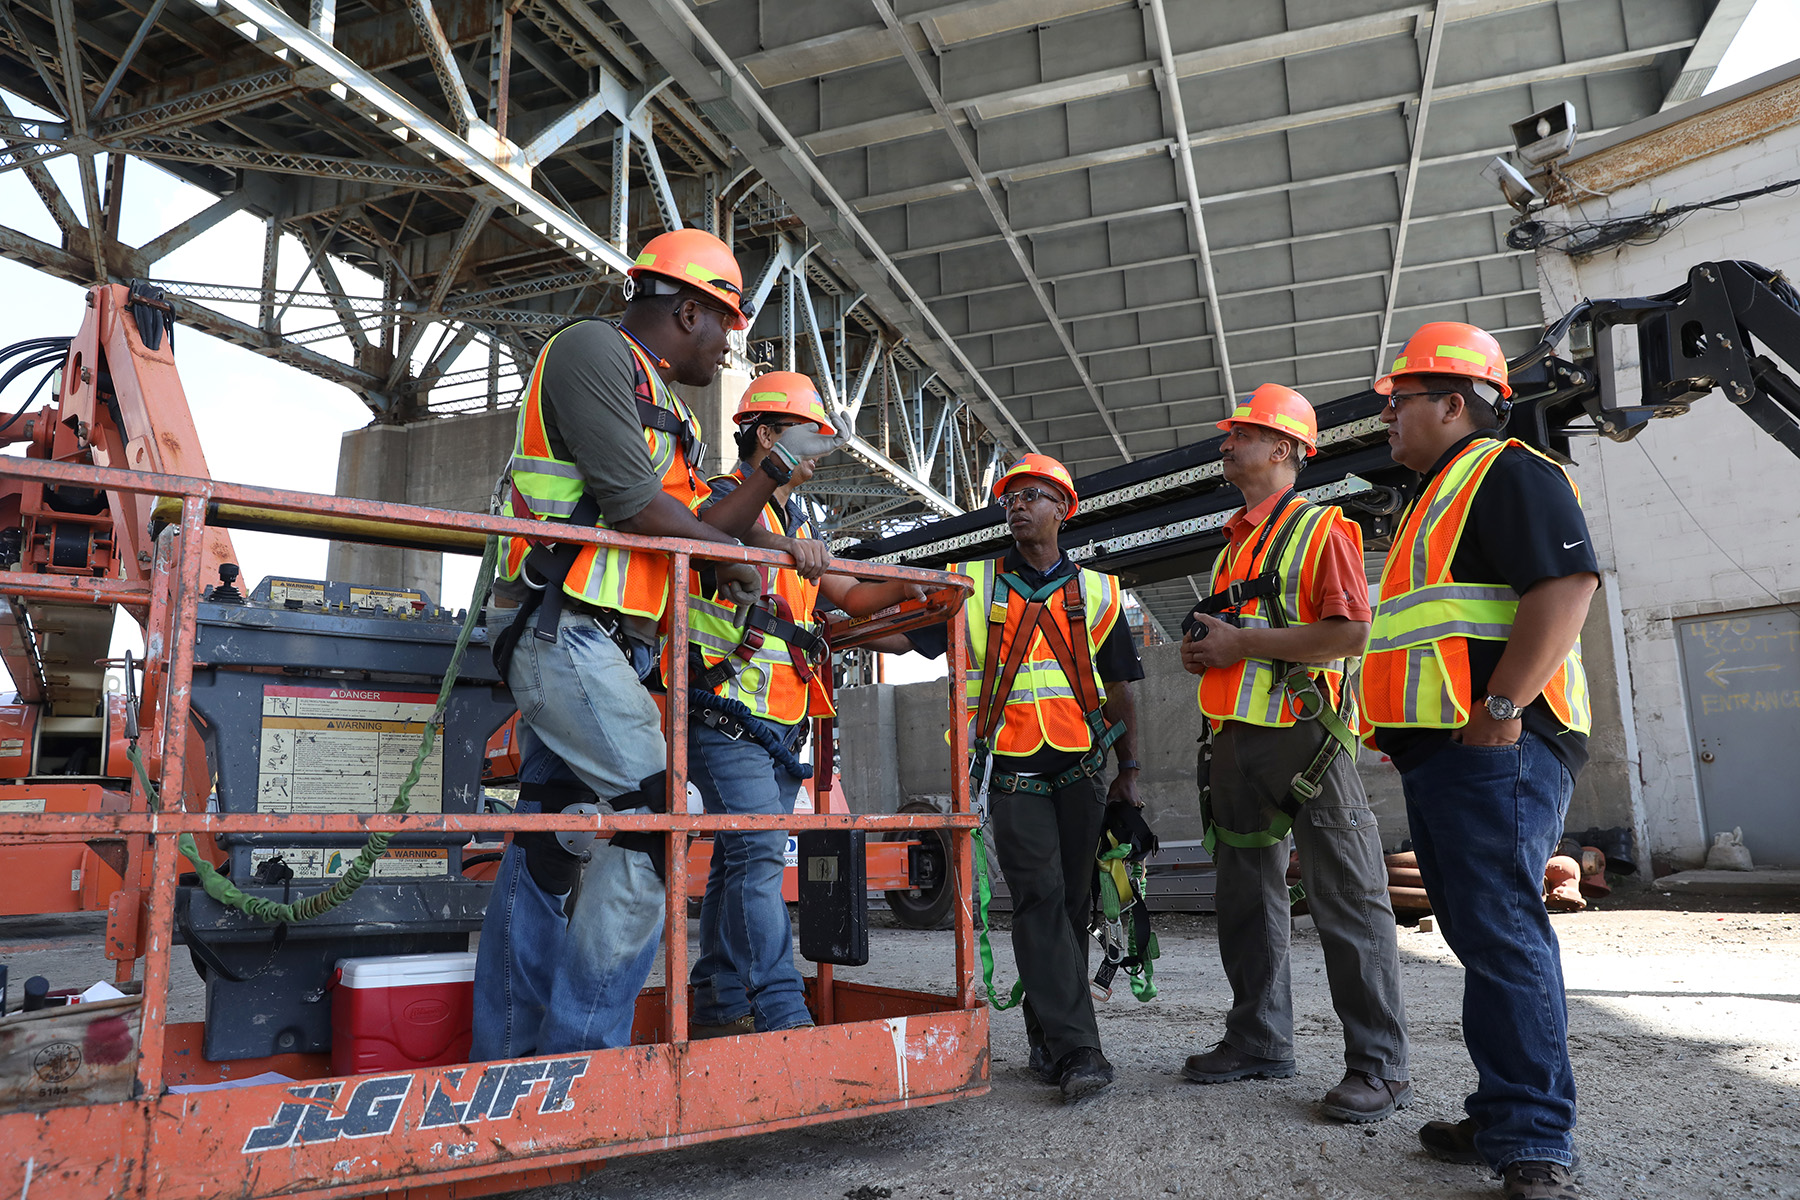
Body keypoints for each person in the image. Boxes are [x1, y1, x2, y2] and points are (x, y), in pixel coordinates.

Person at [471, 229, 842, 1059]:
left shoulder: (666, 404)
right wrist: (744, 551)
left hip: (608, 651)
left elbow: (701, 528)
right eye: (727, 328)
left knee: (551, 841)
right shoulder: (591, 352)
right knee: (654, 820)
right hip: (562, 631)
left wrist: (764, 517)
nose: (729, 348)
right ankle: (577, 1061)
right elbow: (643, 511)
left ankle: (509, 1057)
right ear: (688, 311)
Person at [1362, 322, 1598, 1200]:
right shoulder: (1432, 496)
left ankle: (1534, 1138)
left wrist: (1502, 711)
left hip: (1500, 744)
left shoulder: (1510, 472)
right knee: (1482, 933)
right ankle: (1506, 1113)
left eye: (1401, 401)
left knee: (1501, 932)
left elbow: (1567, 587)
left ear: (1454, 403)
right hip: (1453, 755)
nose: (1388, 415)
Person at [1177, 384, 1411, 1122]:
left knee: (1348, 898)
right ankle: (1258, 1041)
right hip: (1237, 740)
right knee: (1246, 896)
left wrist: (1240, 642)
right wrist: (1206, 653)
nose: (1225, 445)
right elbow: (1235, 638)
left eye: (1238, 434)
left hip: (1306, 740)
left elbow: (1350, 635)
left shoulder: (1322, 531)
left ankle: (1379, 1068)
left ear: (1281, 448)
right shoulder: (1234, 543)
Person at [679, 372, 922, 1038]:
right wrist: (787, 547)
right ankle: (781, 1005)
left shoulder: (792, 524)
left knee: (738, 861)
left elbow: (858, 598)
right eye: (807, 438)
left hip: (779, 727)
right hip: (726, 713)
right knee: (758, 856)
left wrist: (924, 577)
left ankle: (719, 996)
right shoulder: (720, 501)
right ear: (766, 434)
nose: (817, 456)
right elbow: (712, 535)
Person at [907, 454, 1143, 1103]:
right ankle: (1078, 1051)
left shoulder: (1098, 592)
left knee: (1072, 907)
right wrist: (834, 590)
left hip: (1080, 769)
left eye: (1034, 495)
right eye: (1010, 496)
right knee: (1039, 901)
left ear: (1063, 509)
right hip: (1012, 773)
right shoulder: (972, 585)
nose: (1018, 504)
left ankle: (1046, 1035)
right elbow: (906, 636)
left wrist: (1131, 772)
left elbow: (1121, 688)